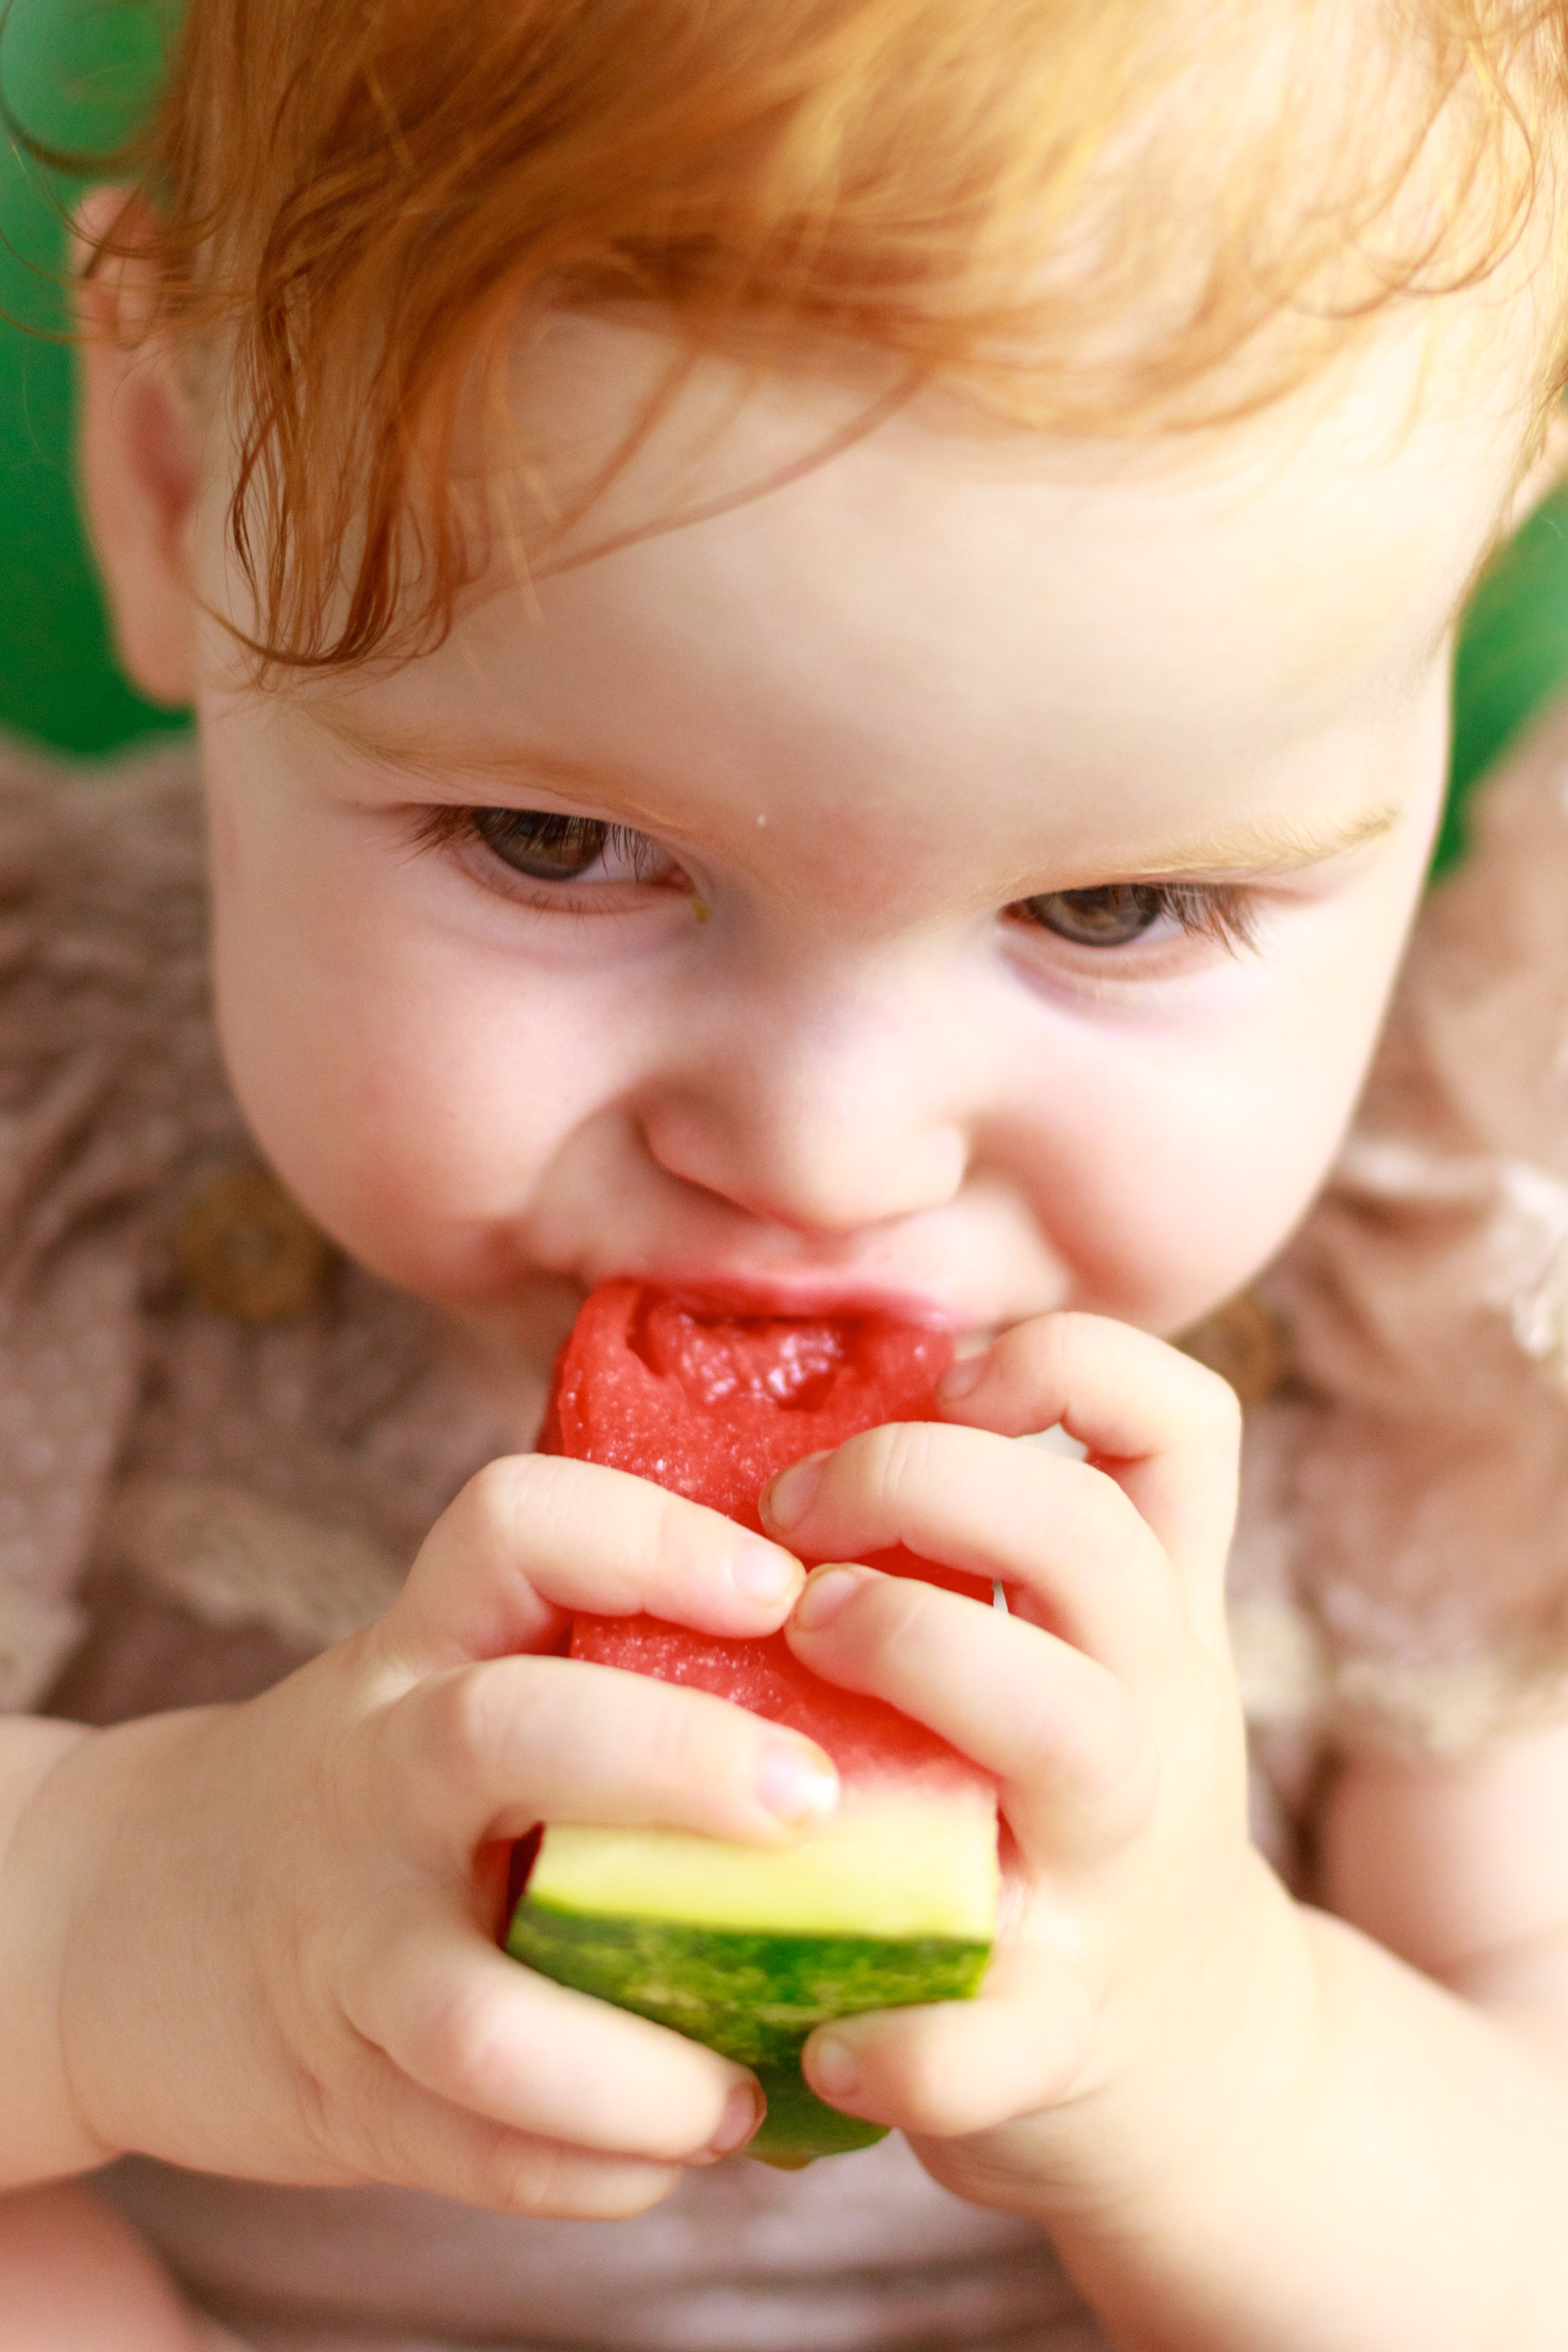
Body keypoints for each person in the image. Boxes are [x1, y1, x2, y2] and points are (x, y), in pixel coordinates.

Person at [3, 0, 1568, 2344]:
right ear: (166, 482)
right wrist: (132, 1910)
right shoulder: (48, 1113)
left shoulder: (1420, 1331)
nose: (827, 1162)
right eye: (553, 843)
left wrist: (1236, 2057)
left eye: (1118, 907)